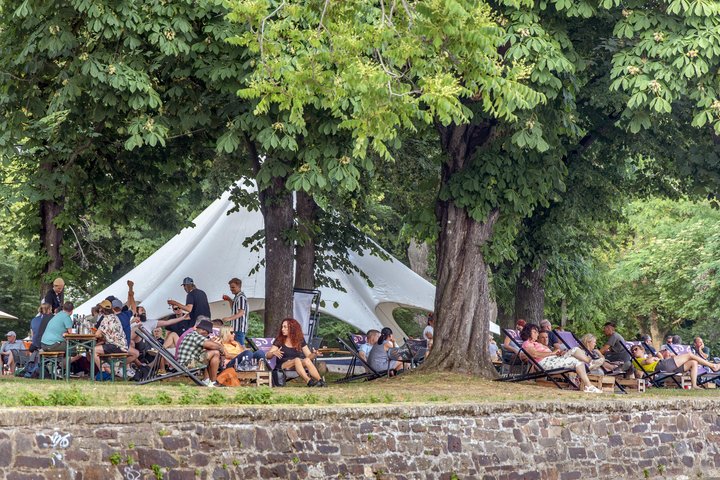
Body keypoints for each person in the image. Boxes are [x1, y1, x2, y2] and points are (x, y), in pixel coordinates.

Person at [520, 324, 601, 393]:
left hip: (553, 360)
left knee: (576, 353)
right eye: (534, 332)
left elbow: (545, 353)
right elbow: (535, 354)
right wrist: (553, 353)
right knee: (576, 357)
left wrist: (558, 353)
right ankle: (590, 366)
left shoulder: (536, 343)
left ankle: (589, 383)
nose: (537, 334)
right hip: (545, 363)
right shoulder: (527, 343)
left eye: (537, 332)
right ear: (528, 333)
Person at [265, 318, 325, 387]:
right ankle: (309, 381)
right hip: (282, 365)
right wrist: (273, 353)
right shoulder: (279, 340)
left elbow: (309, 356)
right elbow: (267, 356)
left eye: (285, 327)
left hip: (297, 364)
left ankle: (320, 381)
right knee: (297, 359)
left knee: (307, 360)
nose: (282, 329)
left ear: (292, 328)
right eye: (282, 327)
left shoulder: (299, 340)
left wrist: (315, 354)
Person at [630, 344, 720, 389]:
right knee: (689, 354)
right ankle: (713, 366)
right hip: (663, 365)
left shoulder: (645, 357)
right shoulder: (635, 361)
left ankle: (694, 385)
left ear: (642, 350)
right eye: (632, 350)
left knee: (693, 362)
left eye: (635, 349)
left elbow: (651, 360)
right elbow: (647, 362)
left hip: (665, 364)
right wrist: (653, 358)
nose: (633, 351)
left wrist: (653, 358)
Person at [176, 319, 225, 387]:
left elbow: (207, 347)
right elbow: (214, 346)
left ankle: (207, 380)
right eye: (208, 333)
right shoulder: (196, 336)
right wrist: (222, 349)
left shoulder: (192, 334)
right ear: (204, 331)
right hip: (187, 365)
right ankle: (213, 382)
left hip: (185, 364)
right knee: (215, 352)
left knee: (209, 353)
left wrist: (210, 342)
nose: (207, 334)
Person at [93, 299, 129, 371]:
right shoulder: (115, 317)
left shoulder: (106, 319)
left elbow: (97, 334)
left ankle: (103, 372)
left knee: (93, 350)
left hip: (116, 346)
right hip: (123, 346)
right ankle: (108, 371)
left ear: (102, 309)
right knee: (99, 348)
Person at [222, 278, 249, 346]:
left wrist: (229, 318)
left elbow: (241, 312)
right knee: (236, 346)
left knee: (239, 346)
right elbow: (234, 309)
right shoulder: (237, 297)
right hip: (235, 327)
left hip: (239, 327)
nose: (231, 289)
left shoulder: (241, 297)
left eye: (233, 287)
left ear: (239, 286)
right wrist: (229, 300)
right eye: (230, 287)